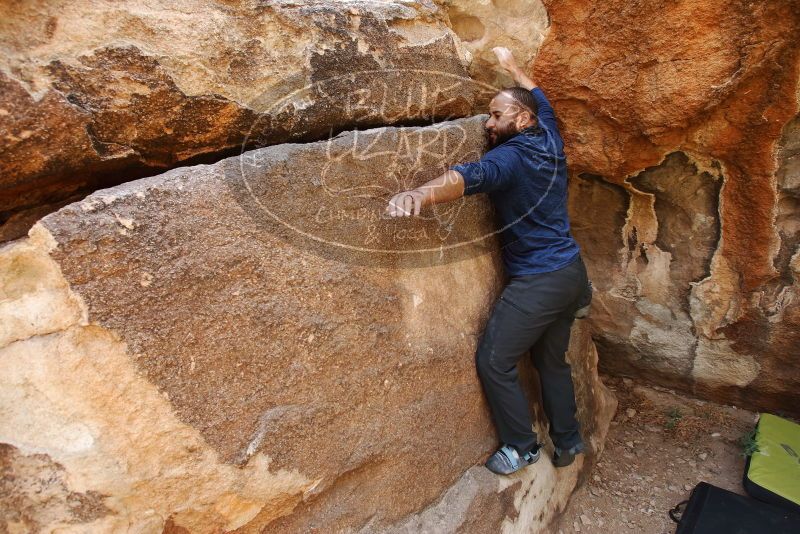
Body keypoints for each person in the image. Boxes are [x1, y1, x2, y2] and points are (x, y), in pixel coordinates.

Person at [385, 47, 592, 475]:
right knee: (551, 361)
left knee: (494, 360)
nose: (488, 122)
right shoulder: (550, 136)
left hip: (539, 281)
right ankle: (569, 440)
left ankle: (522, 447)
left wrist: (420, 193)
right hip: (571, 274)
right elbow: (542, 98)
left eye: (496, 115)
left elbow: (468, 177)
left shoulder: (510, 158)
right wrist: (514, 68)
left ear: (522, 121)